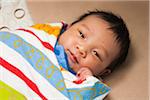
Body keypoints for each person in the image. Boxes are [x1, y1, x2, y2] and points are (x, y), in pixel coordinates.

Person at [56, 10, 130, 82]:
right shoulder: (48, 34)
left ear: (102, 72)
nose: (82, 49)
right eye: (82, 35)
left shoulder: (84, 84)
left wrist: (88, 81)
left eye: (96, 53)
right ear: (69, 27)